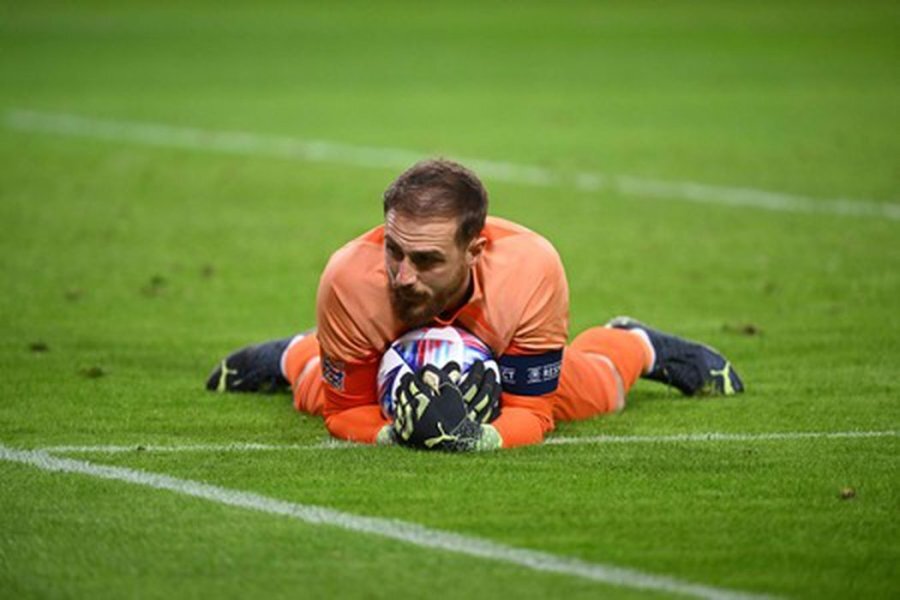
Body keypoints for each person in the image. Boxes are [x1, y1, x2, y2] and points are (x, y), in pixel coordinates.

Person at [206, 159, 744, 450]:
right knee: (320, 391)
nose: (401, 275)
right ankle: (294, 353)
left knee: (589, 393)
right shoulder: (350, 279)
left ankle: (634, 342)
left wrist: (477, 437)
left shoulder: (529, 269)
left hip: (500, 346)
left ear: (475, 249)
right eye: (394, 251)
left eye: (426, 259)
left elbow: (532, 413)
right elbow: (346, 413)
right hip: (382, 344)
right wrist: (396, 432)